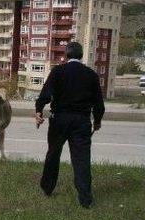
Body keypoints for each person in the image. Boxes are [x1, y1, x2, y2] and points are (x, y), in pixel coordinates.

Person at [35, 41, 104, 208]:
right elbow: (99, 104)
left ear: (66, 55)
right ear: (81, 56)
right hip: (81, 121)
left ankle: (47, 188)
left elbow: (45, 93)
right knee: (81, 159)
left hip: (59, 119)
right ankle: (86, 199)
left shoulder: (58, 72)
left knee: (53, 154)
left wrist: (38, 111)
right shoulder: (91, 75)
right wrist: (97, 121)